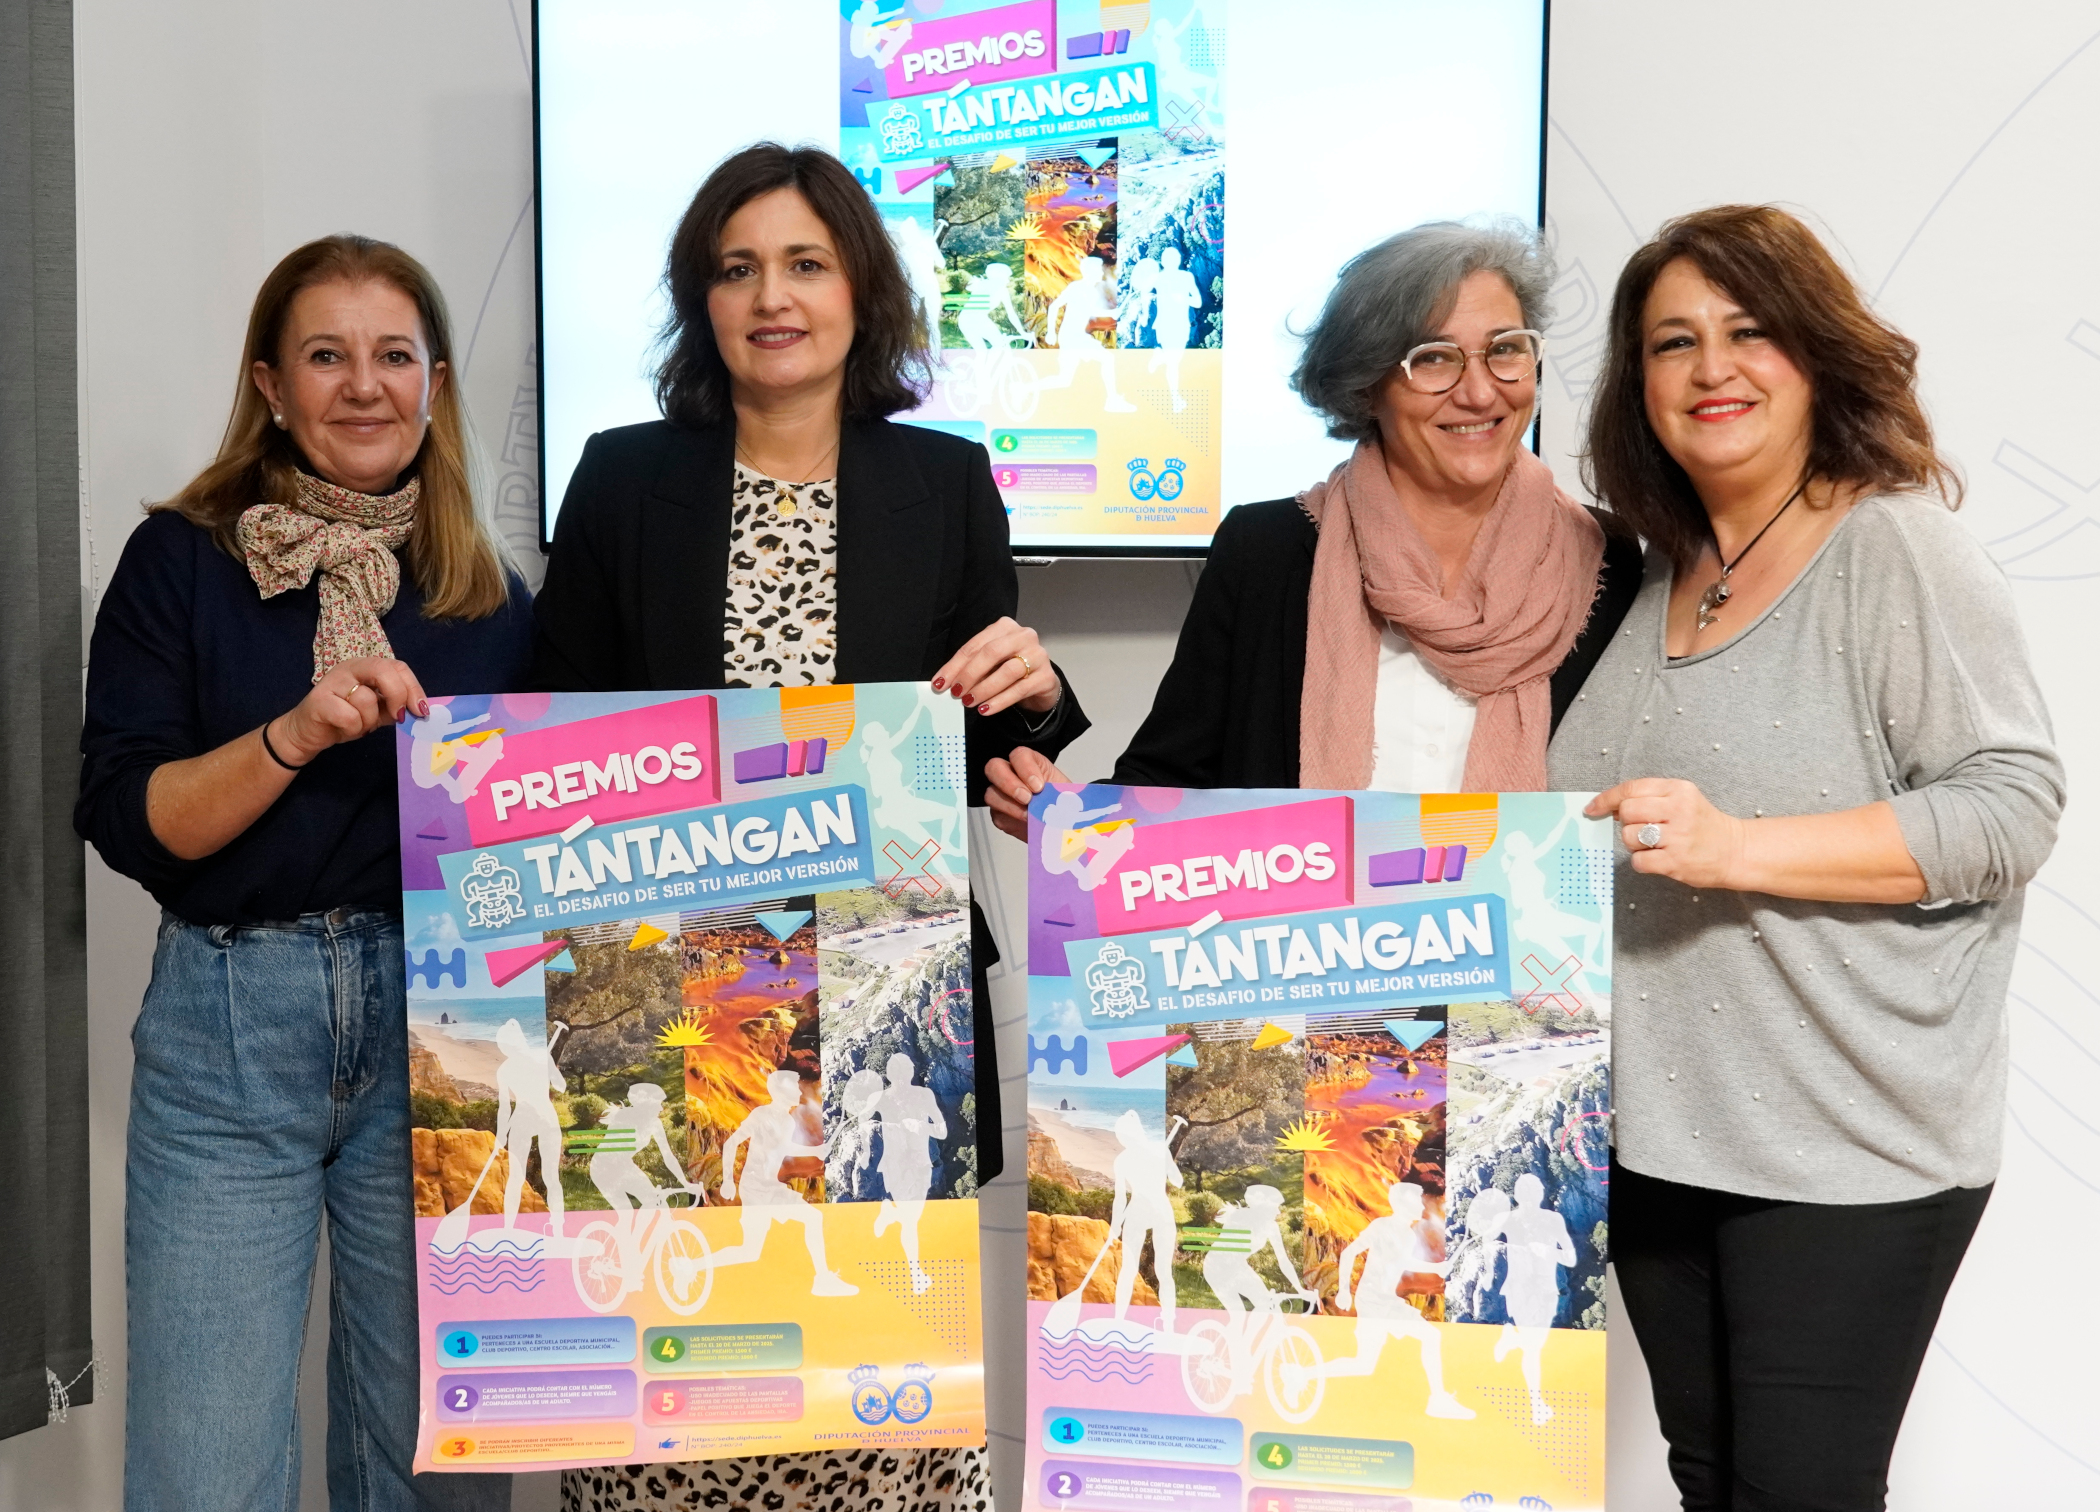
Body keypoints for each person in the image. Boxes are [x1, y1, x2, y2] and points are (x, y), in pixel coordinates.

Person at [537, 140, 1085, 1512]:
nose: (771, 297)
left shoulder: (944, 481)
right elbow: (549, 742)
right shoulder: (621, 480)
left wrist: (1037, 700)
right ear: (701, 301)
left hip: (891, 1019)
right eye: (737, 270)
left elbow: (976, 742)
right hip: (674, 1013)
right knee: (679, 1391)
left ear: (861, 291)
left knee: (878, 1381)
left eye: (805, 264)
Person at [1552, 205, 2064, 1512]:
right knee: (1713, 1481)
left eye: (1750, 331)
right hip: (1656, 1138)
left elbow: (2013, 808)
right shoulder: (1658, 574)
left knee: (1799, 1494)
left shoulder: (1892, 548)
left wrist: (1736, 846)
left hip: (1846, 1148)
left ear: (1816, 354)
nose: (1712, 368)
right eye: (1673, 342)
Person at [76, 235, 530, 1510]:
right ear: (271, 385)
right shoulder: (181, 560)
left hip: (445, 1038)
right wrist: (293, 735)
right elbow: (129, 821)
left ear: (436, 382)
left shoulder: (492, 595)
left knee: (435, 1464)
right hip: (231, 1033)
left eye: (394, 355)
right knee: (206, 1471)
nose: (364, 385)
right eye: (327, 356)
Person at [986, 220, 1641, 826]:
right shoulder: (1265, 551)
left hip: (1521, 912)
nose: (1479, 391)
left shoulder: (1602, 555)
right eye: (1434, 358)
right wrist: (1071, 820)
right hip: (1308, 918)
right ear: (1366, 384)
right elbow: (1169, 781)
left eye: (1505, 349)